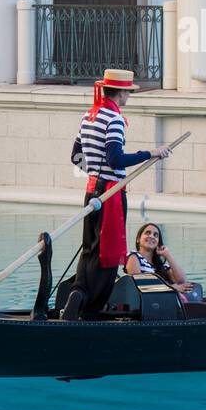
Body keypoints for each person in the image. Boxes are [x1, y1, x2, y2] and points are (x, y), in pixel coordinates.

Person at [61, 69, 172, 321]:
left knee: (90, 249)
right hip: (110, 194)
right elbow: (115, 158)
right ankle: (91, 308)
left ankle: (78, 291)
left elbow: (75, 157)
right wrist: (150, 153)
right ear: (121, 93)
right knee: (109, 254)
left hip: (91, 190)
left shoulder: (88, 116)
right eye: (128, 92)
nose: (128, 97)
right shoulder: (114, 119)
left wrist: (96, 174)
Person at [125, 222, 197, 298]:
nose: (151, 236)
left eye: (155, 235)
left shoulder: (160, 265)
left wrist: (167, 254)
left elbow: (182, 281)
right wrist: (171, 287)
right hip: (145, 304)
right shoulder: (134, 257)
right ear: (138, 239)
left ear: (158, 243)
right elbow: (139, 285)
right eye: (147, 233)